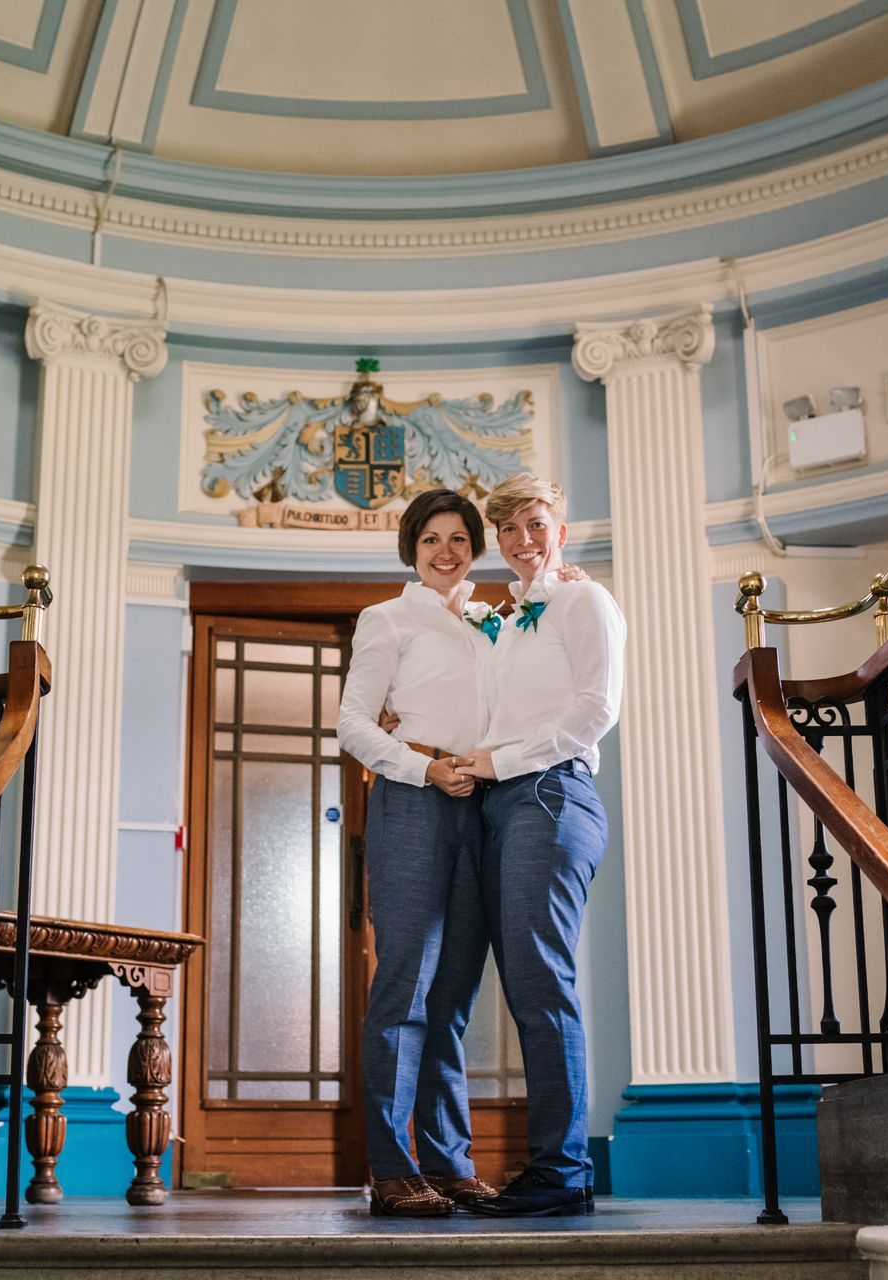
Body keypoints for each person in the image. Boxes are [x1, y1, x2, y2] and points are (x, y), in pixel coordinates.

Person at [454, 472, 624, 1217]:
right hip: (500, 804)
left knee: (540, 984)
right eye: (509, 529)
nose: (523, 540)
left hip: (551, 794)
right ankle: (554, 1167)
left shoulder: (585, 600)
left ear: (562, 526)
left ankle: (562, 1172)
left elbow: (597, 710)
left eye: (535, 524)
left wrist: (503, 762)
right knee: (525, 987)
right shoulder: (514, 615)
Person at [336, 488, 499, 1217]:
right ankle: (393, 1168)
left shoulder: (498, 622)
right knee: (403, 989)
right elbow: (352, 724)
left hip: (486, 805)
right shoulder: (386, 618)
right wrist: (422, 764)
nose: (445, 550)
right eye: (431, 537)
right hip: (413, 799)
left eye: (459, 537)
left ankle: (449, 1161)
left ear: (475, 546)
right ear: (411, 547)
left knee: (454, 997)